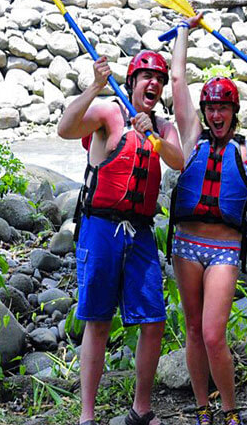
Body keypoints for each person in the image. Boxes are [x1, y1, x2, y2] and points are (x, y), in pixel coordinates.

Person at [168, 13, 247, 425]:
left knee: (212, 333)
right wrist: (184, 31)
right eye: (211, 108)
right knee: (192, 330)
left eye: (222, 108)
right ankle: (203, 408)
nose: (215, 115)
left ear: (234, 112)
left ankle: (230, 409)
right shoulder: (190, 138)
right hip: (186, 245)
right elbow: (178, 83)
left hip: (223, 249)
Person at [57, 51, 184, 425]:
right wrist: (95, 85)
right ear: (131, 83)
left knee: (154, 320)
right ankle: (87, 416)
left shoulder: (162, 127)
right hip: (100, 227)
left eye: (158, 80)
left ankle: (140, 410)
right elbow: (65, 128)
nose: (153, 84)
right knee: (97, 320)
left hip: (140, 231)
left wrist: (154, 137)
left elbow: (178, 160)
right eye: (146, 78)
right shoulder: (108, 112)